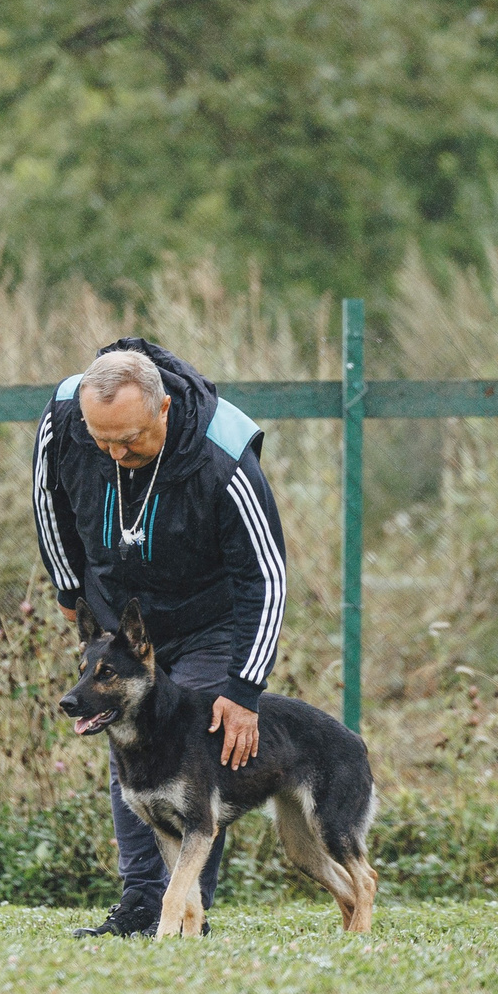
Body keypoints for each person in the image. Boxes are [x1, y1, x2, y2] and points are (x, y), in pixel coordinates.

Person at [32, 340, 290, 937]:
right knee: (134, 744)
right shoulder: (64, 419)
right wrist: (72, 591)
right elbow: (50, 504)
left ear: (165, 410)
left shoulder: (222, 458)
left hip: (209, 619)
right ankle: (143, 907)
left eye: (131, 441)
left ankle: (186, 912)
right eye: (103, 443)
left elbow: (266, 577)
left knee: (193, 744)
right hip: (121, 616)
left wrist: (245, 689)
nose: (117, 455)